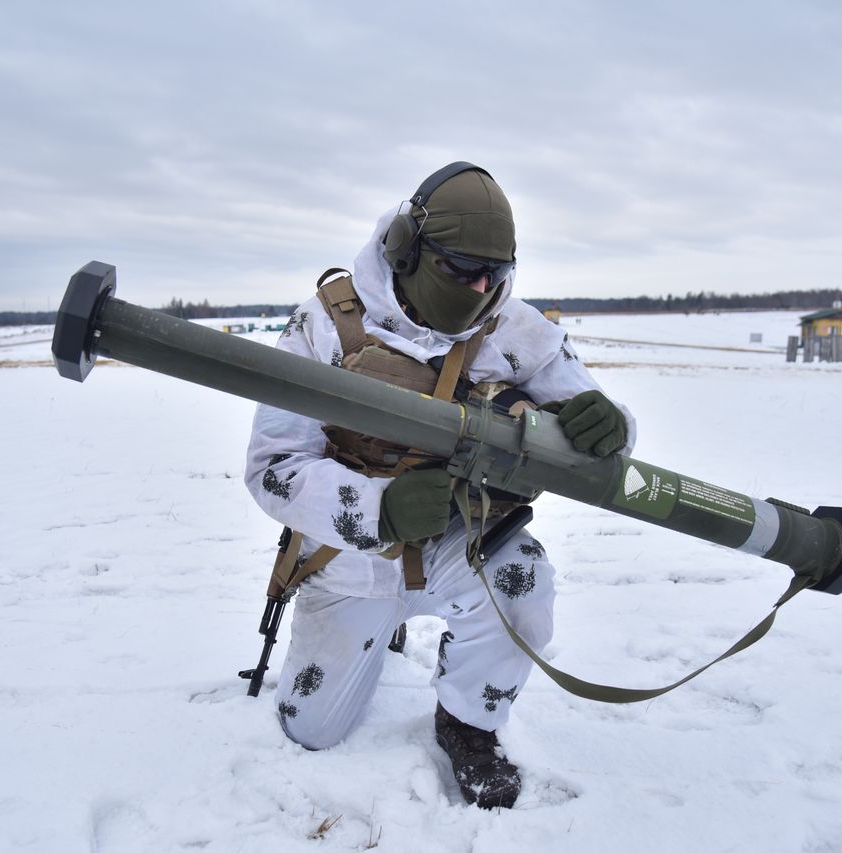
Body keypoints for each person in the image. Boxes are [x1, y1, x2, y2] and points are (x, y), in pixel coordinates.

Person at [243, 162, 636, 809]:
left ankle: (467, 723)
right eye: (462, 270)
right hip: (349, 558)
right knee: (310, 730)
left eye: (497, 274)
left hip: (462, 546)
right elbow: (272, 467)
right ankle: (374, 636)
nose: (483, 289)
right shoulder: (325, 324)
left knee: (525, 588)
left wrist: (613, 427)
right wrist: (378, 509)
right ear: (408, 249)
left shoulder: (517, 332)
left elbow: (593, 429)